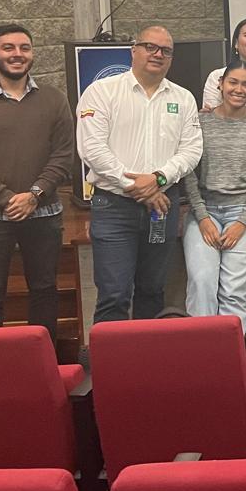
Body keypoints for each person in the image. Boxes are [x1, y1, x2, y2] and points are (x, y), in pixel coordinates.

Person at [0, 24, 76, 343]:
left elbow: (64, 154)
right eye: (8, 48)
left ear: (32, 54)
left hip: (44, 213)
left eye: (24, 48)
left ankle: (43, 364)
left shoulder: (53, 99)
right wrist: (8, 199)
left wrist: (34, 195)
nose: (17, 54)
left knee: (45, 290)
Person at [77, 25, 203, 323]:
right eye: (151, 47)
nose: (158, 54)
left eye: (166, 50)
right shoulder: (101, 92)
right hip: (114, 207)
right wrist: (137, 186)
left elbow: (191, 150)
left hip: (163, 206)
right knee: (114, 294)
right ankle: (111, 368)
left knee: (153, 290)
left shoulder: (183, 98)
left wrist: (157, 179)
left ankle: (148, 365)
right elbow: (91, 149)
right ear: (134, 50)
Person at [182, 59, 246, 330]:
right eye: (233, 82)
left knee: (234, 290)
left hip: (244, 214)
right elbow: (189, 172)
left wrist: (243, 222)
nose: (239, 89)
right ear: (220, 84)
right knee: (202, 282)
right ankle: (203, 359)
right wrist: (202, 218)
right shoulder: (200, 121)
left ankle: (228, 362)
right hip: (204, 212)